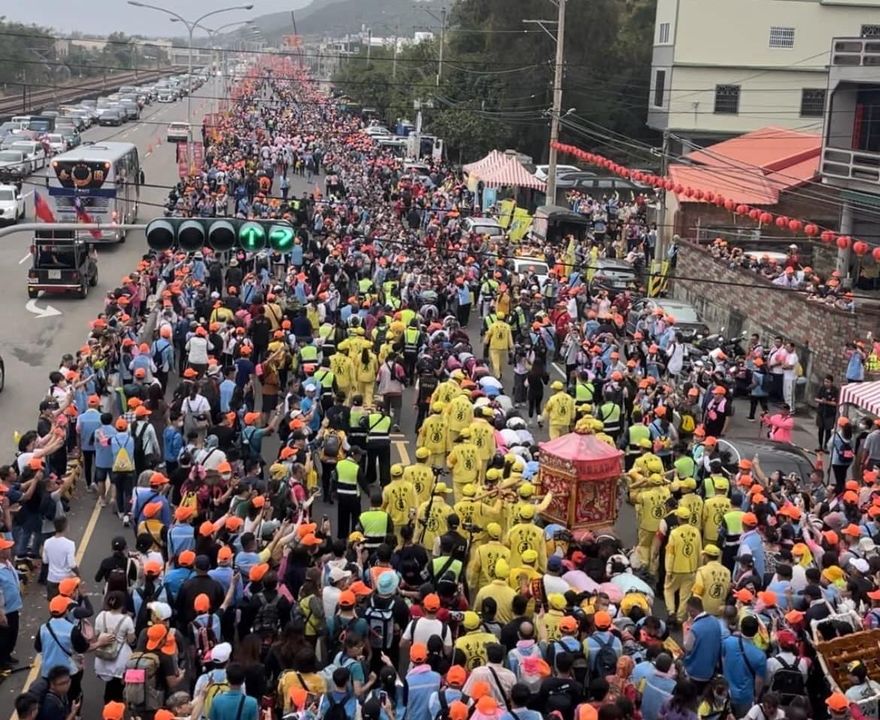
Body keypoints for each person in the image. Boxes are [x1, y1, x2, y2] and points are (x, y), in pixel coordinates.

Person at [721, 616, 766, 718]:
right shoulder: (760, 656)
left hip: (726, 691)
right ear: (756, 632)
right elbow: (759, 681)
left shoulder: (727, 642)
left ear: (741, 628)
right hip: (745, 696)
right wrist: (756, 696)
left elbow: (723, 659)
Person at [0, 536, 22, 668]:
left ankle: (7, 655)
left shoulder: (8, 565)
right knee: (3, 637)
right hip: (4, 610)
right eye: (7, 548)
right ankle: (2, 661)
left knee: (12, 633)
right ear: (1, 552)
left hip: (13, 607)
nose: (10, 550)